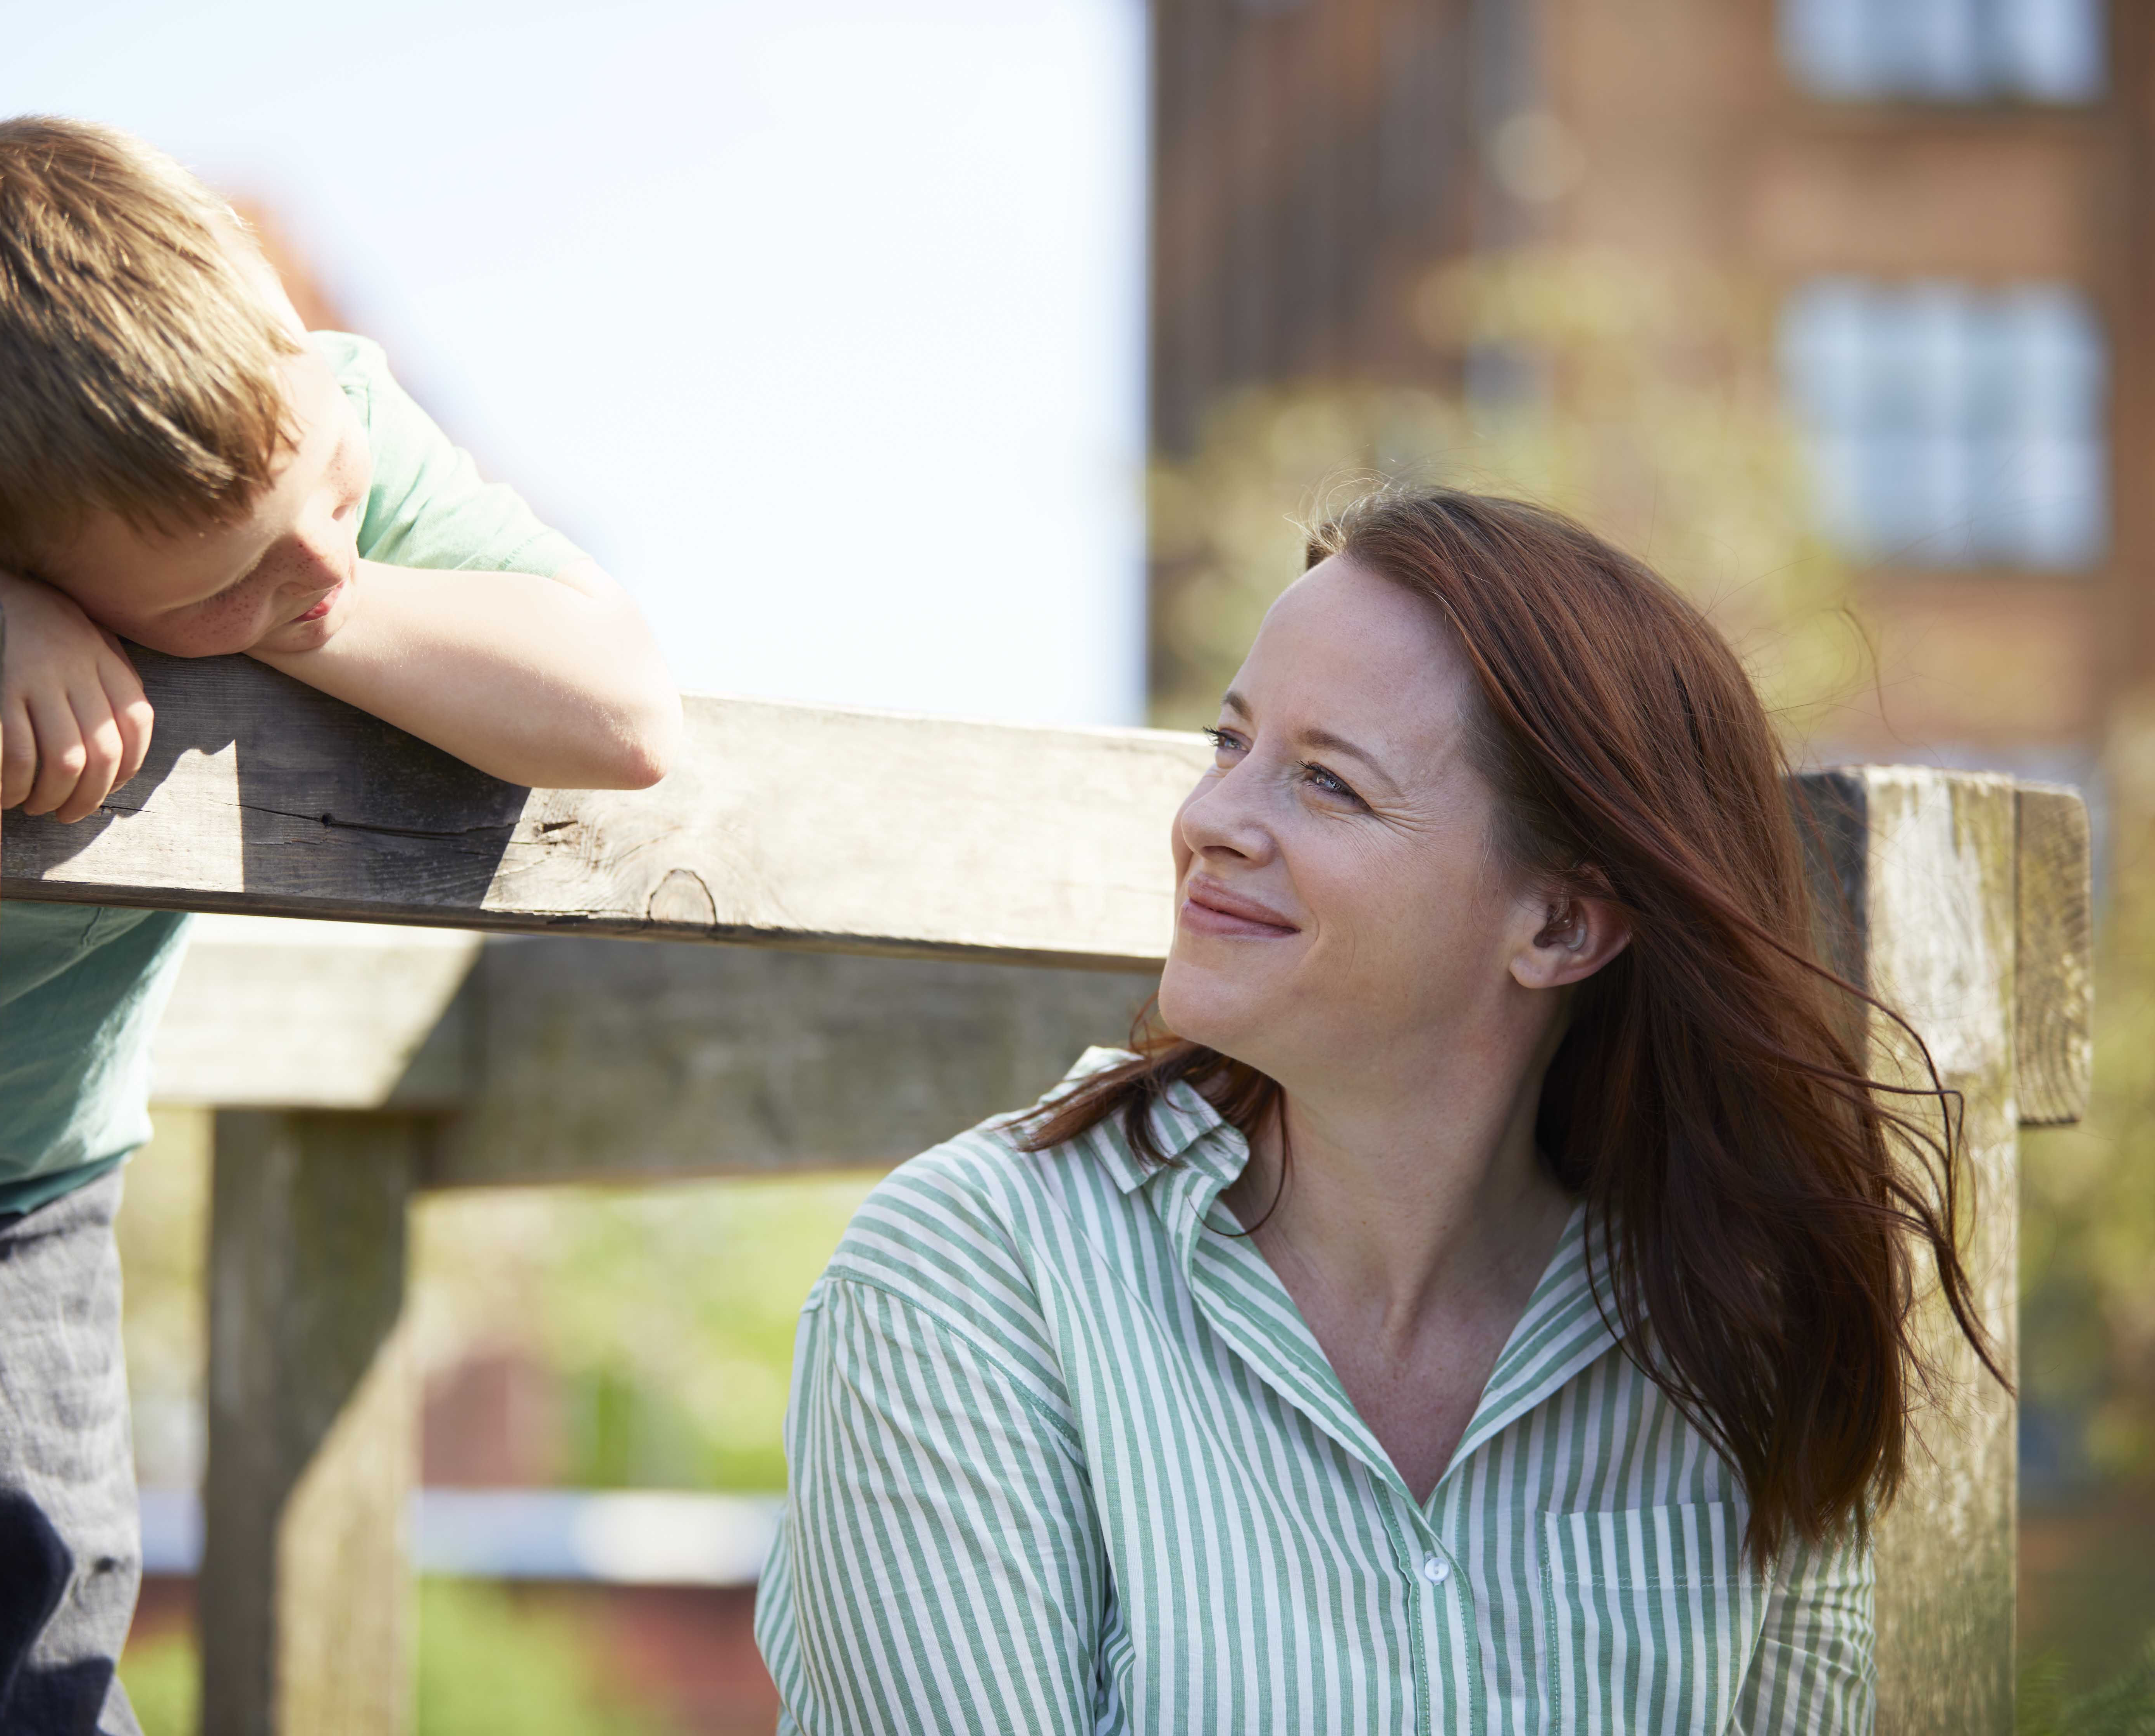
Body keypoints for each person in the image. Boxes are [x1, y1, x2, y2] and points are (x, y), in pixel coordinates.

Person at [0, 117, 680, 1734]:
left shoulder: (312, 407)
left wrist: (292, 619)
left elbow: (623, 713)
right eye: (222, 583)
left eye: (329, 492)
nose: (323, 554)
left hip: (23, 1166)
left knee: (50, 1646)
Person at [753, 488, 1995, 1734]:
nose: (1208, 821)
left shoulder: (1738, 1341)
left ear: (1561, 925)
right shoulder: (965, 1283)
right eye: (1229, 742)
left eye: (1328, 784)